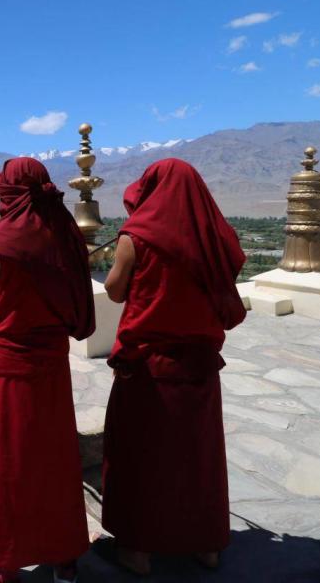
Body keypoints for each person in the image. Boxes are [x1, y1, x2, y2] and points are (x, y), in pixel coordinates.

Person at [101, 158, 247, 575]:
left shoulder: (137, 237)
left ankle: (138, 551)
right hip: (200, 367)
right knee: (195, 458)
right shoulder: (213, 237)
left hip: (148, 368)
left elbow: (114, 291)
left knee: (141, 457)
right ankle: (205, 546)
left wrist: (121, 252)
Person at [0, 157, 95, 583]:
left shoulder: (10, 234)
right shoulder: (65, 229)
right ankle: (65, 559)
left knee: (7, 460)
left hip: (12, 366)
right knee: (54, 458)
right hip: (52, 363)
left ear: (10, 191)